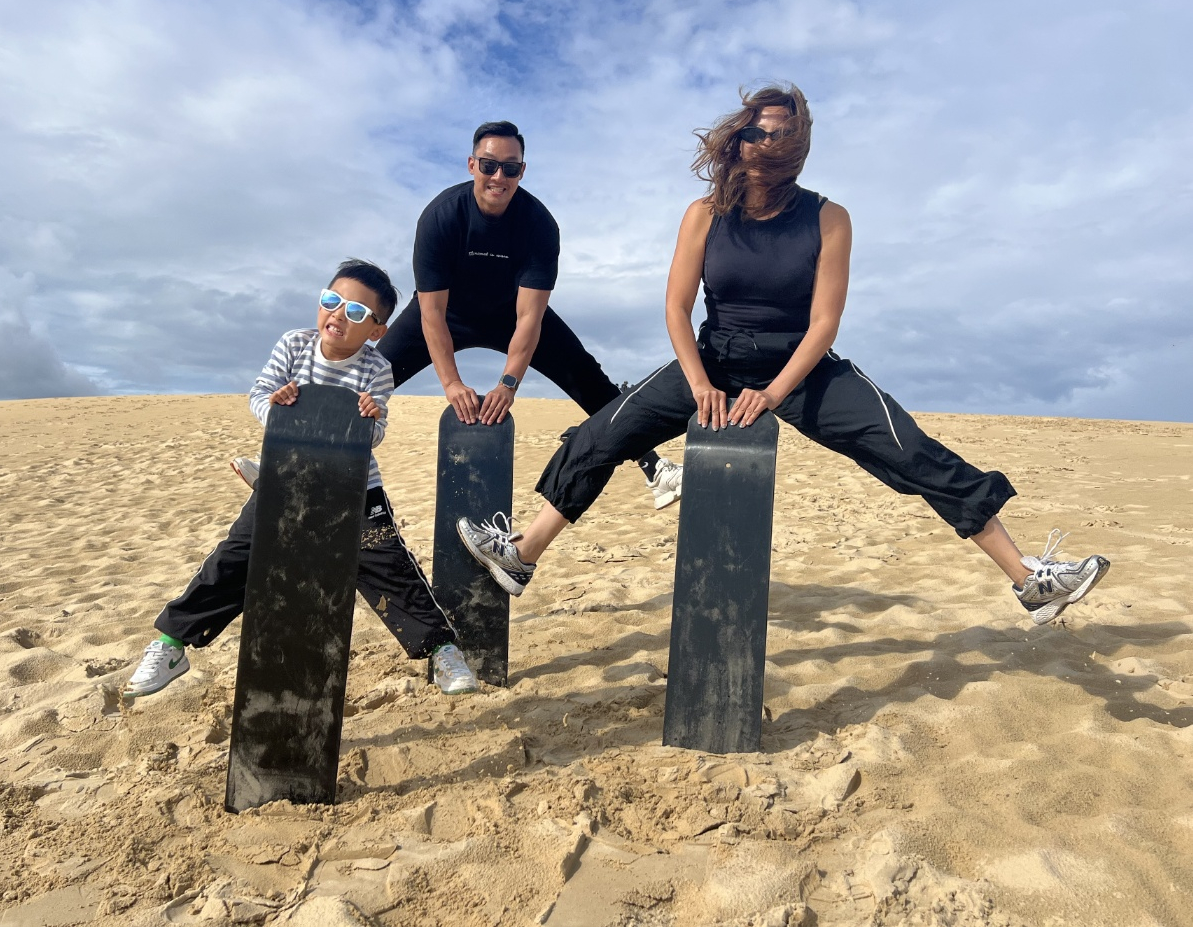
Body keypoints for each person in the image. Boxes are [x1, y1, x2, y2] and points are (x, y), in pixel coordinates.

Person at [455, 84, 1109, 625]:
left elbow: (824, 322)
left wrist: (773, 392)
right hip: (711, 361)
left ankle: (1029, 579)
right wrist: (700, 382)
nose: (769, 141)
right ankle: (522, 553)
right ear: (737, 139)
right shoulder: (703, 213)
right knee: (605, 431)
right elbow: (676, 310)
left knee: (906, 448)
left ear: (798, 146)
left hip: (799, 367)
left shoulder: (829, 218)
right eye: (759, 130)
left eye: (783, 133)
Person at [125, 259, 479, 698]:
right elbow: (258, 395)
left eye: (354, 312)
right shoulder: (293, 345)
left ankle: (442, 650)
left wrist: (369, 419)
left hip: (354, 487)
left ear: (375, 330)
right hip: (286, 479)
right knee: (235, 558)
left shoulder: (376, 369)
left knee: (389, 568)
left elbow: (377, 433)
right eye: (332, 301)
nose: (337, 315)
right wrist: (276, 406)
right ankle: (171, 644)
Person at [375, 120, 685, 510]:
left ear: (523, 171)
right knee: (371, 375)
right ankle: (327, 453)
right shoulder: (441, 217)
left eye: (511, 167)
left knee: (588, 378)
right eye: (489, 165)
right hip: (446, 314)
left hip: (513, 316)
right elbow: (431, 311)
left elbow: (529, 318)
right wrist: (452, 383)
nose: (499, 176)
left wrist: (508, 384)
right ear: (472, 165)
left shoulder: (538, 224)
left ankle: (656, 467)